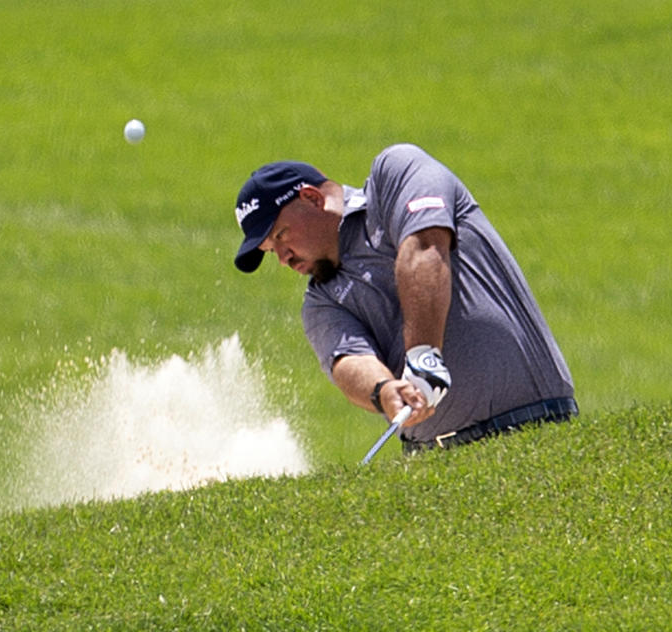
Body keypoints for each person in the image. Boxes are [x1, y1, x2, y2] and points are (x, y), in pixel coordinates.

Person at [232, 143, 577, 453]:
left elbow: (425, 246)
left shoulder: (396, 175)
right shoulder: (321, 302)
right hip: (435, 460)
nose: (282, 257)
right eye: (269, 249)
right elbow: (348, 361)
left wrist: (423, 355)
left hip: (538, 425)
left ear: (312, 198)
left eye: (280, 235)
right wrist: (383, 391)